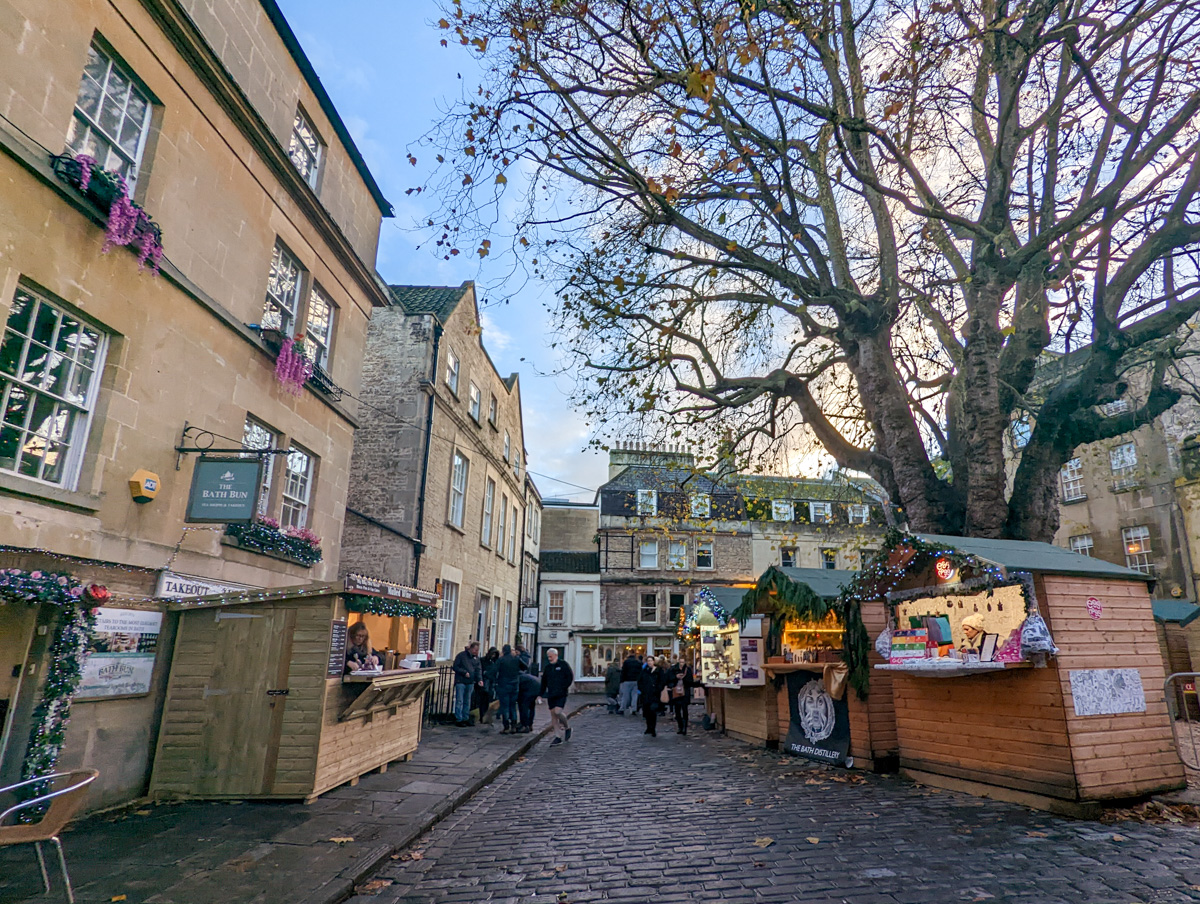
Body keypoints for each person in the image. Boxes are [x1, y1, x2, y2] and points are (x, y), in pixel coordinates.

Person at [540, 648, 574, 746]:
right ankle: (557, 737)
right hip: (551, 693)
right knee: (553, 715)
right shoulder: (547, 668)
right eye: (548, 657)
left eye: (551, 656)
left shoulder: (563, 665)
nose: (549, 659)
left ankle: (567, 727)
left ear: (555, 655)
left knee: (558, 712)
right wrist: (541, 694)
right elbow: (544, 682)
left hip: (561, 693)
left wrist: (564, 687)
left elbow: (570, 677)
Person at [452, 641, 482, 726]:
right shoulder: (461, 656)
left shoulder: (476, 658)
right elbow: (455, 667)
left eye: (477, 650)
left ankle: (466, 718)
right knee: (460, 700)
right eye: (475, 650)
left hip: (471, 682)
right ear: (471, 648)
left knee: (467, 700)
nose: (476, 652)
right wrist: (464, 672)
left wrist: (479, 679)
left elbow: (478, 669)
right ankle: (459, 719)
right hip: (461, 681)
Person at [496, 644, 523, 733]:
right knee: (512, 706)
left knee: (505, 706)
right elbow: (525, 666)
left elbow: (493, 671)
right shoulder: (516, 659)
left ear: (503, 651)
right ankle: (514, 726)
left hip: (503, 685)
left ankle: (506, 726)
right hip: (514, 685)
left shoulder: (501, 660)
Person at [666, 656, 695, 735]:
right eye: (680, 662)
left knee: (685, 709)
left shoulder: (687, 670)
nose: (682, 663)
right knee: (677, 710)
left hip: (685, 692)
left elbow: (690, 681)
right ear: (678, 661)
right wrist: (676, 677)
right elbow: (668, 679)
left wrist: (684, 678)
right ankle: (680, 726)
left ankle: (684, 727)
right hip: (676, 692)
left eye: (683, 662)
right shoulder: (673, 669)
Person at [638, 656, 665, 737]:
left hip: (655, 695)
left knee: (653, 711)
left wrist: (658, 689)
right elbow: (639, 681)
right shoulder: (644, 671)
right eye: (648, 661)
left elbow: (662, 681)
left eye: (651, 661)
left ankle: (653, 728)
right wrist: (642, 689)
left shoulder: (658, 671)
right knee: (646, 712)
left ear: (654, 661)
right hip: (646, 695)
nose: (649, 662)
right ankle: (648, 727)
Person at [517, 669, 540, 733]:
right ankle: (530, 724)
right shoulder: (525, 676)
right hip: (536, 688)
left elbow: (517, 689)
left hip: (529, 691)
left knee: (524, 707)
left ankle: (525, 725)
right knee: (531, 706)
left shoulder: (518, 677)